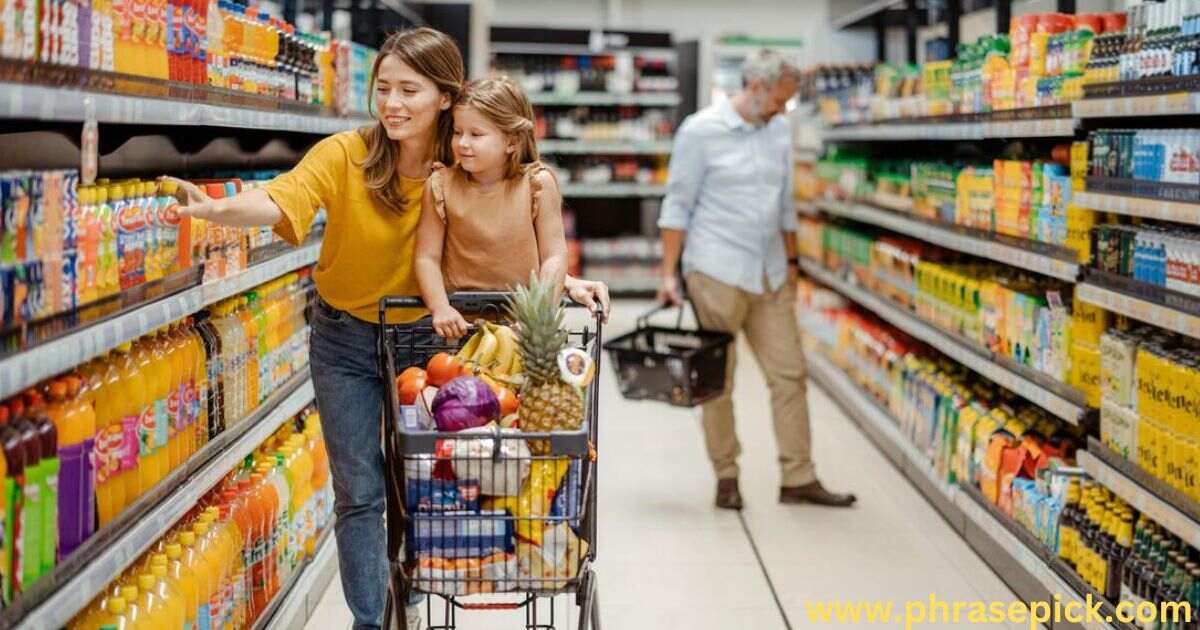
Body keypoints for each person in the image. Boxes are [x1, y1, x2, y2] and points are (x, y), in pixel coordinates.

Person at [161, 28, 610, 630]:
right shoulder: (345, 154)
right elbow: (282, 198)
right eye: (383, 89)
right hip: (344, 337)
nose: (392, 104)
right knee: (360, 491)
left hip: (431, 341)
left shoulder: (465, 168)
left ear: (446, 97)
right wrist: (220, 211)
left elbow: (512, 238)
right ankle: (370, 621)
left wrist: (564, 282)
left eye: (409, 90)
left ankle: (416, 584)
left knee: (422, 481)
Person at [656, 49, 855, 511]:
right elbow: (677, 206)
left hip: (769, 273)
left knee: (790, 374)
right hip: (716, 270)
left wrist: (792, 263)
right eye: (779, 99)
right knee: (718, 380)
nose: (783, 109)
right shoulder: (701, 131)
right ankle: (726, 476)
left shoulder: (779, 131)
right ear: (756, 86)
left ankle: (798, 477)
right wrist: (668, 274)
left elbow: (785, 203)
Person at [415, 76, 567, 339]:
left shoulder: (537, 184)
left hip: (525, 325)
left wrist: (540, 315)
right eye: (457, 131)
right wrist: (440, 307)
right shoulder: (440, 186)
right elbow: (426, 257)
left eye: (476, 134)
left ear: (512, 142)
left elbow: (554, 255)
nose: (462, 143)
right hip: (461, 325)